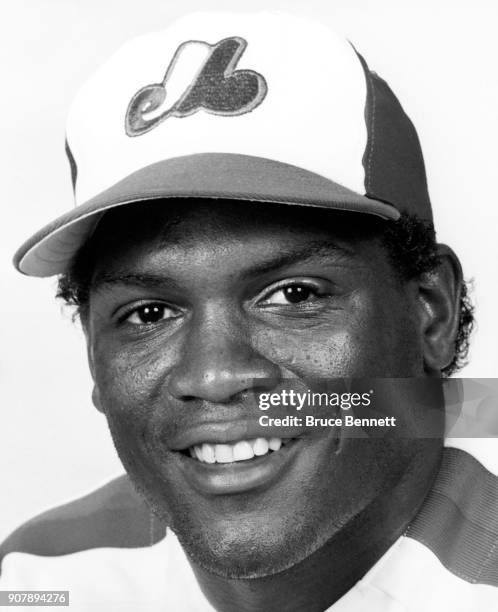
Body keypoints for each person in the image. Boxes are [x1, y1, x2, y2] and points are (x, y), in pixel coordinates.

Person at [0, 11, 495, 612]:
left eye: (295, 295)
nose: (213, 376)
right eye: (150, 313)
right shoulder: (41, 579)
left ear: (431, 313)